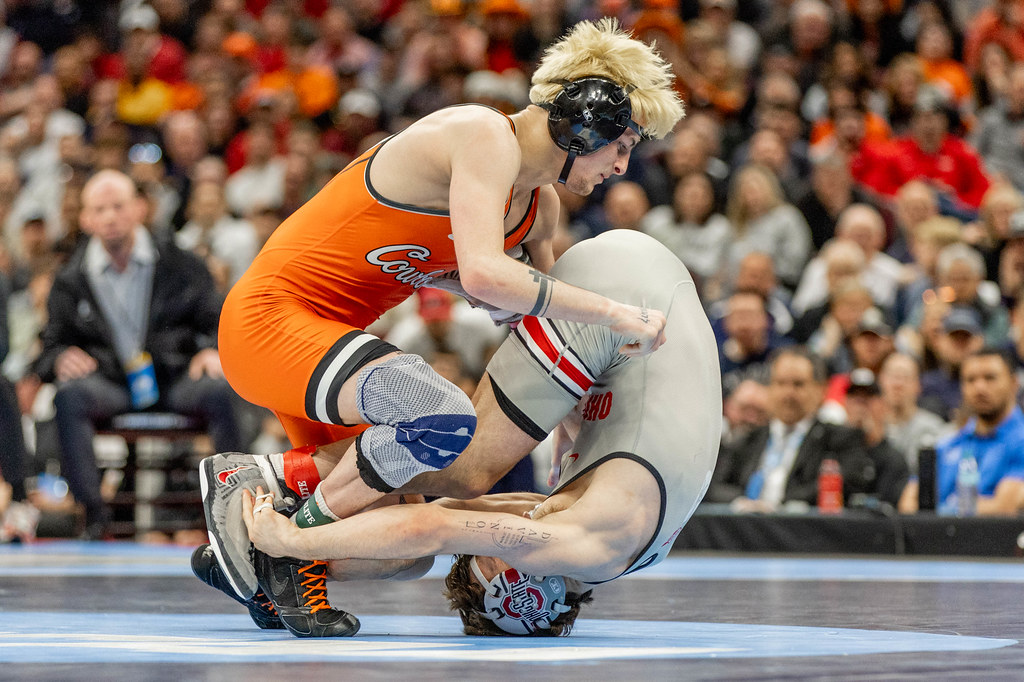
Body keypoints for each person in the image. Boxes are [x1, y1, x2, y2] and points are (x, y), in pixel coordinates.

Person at [199, 18, 685, 638]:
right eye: (622, 145)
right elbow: (485, 276)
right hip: (270, 319)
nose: (621, 166)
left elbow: (545, 337)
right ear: (585, 122)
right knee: (439, 413)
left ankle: (252, 554)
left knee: (402, 551)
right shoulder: (481, 134)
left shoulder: (539, 208)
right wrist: (618, 314)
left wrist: (570, 432)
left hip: (330, 349)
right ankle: (277, 518)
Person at [220, 229, 722, 637]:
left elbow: (439, 520)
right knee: (465, 465)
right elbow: (434, 530)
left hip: (648, 291)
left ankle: (267, 569)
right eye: (483, 558)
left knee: (423, 512)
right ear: (510, 584)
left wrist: (289, 558)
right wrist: (290, 541)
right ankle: (269, 476)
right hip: (629, 304)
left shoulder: (607, 545)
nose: (505, 540)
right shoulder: (586, 544)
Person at [30, 170, 243, 539]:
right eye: (100, 209)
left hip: (174, 377)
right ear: (86, 219)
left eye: (118, 206)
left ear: (139, 209)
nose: (110, 216)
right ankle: (94, 515)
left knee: (219, 392)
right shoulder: (70, 278)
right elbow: (49, 347)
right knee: (69, 397)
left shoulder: (182, 263)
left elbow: (217, 321)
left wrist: (211, 351)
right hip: (111, 383)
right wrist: (61, 356)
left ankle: (235, 511)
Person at [706, 346, 881, 512]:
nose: (788, 393)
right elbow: (714, 487)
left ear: (820, 390)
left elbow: (849, 481)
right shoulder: (749, 438)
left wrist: (777, 505)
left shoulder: (840, 439)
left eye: (798, 384)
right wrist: (743, 503)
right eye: (781, 383)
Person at [899, 347, 1024, 516]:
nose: (980, 388)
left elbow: (1005, 507)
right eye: (970, 380)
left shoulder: (1020, 441)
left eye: (990, 378)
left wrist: (936, 513)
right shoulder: (947, 444)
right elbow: (908, 503)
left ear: (1014, 384)